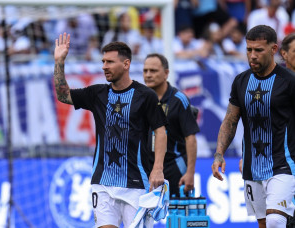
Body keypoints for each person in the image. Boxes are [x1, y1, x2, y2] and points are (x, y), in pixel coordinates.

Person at [54, 33, 167, 228]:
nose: (104, 66)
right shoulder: (96, 93)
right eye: (103, 61)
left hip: (136, 184)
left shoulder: (145, 96)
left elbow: (161, 131)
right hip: (103, 183)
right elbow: (63, 96)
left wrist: (157, 168)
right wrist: (59, 62)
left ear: (126, 64)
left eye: (110, 62)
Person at [211, 25, 295, 228]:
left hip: (283, 164)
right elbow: (230, 120)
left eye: (259, 50)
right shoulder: (241, 81)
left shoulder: (289, 82)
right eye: (249, 50)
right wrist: (219, 154)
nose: (252, 55)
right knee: (265, 224)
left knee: (275, 221)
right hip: (252, 166)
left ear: (274, 49)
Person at [143, 53, 199, 196]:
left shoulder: (179, 100)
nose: (148, 75)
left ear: (166, 73)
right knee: (145, 217)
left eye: (153, 71)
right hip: (147, 169)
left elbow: (190, 138)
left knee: (177, 216)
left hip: (174, 167)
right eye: (145, 71)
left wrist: (190, 173)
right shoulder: (141, 99)